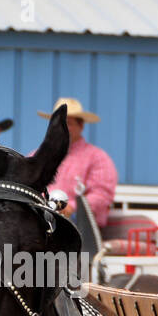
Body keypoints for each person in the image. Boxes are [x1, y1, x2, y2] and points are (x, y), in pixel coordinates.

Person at [37, 97, 118, 227]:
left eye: (67, 122)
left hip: (79, 226)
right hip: (41, 221)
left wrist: (70, 207)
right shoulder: (39, 155)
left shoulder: (98, 158)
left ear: (81, 126)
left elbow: (101, 195)